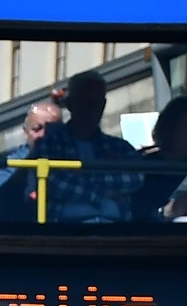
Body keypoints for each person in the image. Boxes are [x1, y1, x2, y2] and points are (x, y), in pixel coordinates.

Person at [39, 70, 142, 223]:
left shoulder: (120, 147)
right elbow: (55, 183)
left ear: (104, 104)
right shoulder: (50, 144)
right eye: (85, 101)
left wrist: (81, 176)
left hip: (115, 232)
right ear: (70, 104)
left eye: (97, 102)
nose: (92, 108)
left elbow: (136, 178)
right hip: (65, 232)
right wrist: (104, 189)